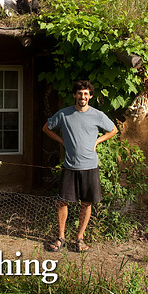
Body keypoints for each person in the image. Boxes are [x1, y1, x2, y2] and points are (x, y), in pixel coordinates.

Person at [42, 80, 118, 252]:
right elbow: (46, 128)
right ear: (75, 95)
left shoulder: (98, 115)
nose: (82, 97)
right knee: (62, 202)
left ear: (90, 96)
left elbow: (113, 130)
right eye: (79, 93)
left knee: (86, 203)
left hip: (90, 166)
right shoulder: (64, 114)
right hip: (70, 166)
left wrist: (98, 140)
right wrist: (62, 141)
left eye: (86, 94)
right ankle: (60, 237)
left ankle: (79, 238)